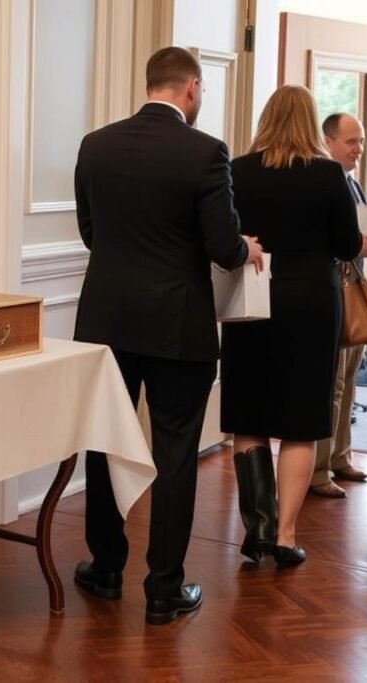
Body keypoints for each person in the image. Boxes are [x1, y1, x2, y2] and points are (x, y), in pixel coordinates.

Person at [73, 46, 263, 625]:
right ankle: (163, 588)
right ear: (192, 88)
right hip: (178, 325)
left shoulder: (95, 145)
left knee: (105, 441)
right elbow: (221, 245)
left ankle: (105, 568)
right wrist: (246, 249)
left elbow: (89, 232)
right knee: (175, 453)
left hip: (106, 320)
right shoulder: (206, 152)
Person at [221, 86, 367, 569]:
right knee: (301, 424)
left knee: (250, 417)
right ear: (310, 123)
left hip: (254, 299)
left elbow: (226, 236)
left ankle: (257, 528)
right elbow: (347, 244)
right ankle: (285, 535)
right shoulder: (328, 175)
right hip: (310, 303)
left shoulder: (237, 170)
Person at [309, 112, 367, 499]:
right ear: (328, 141)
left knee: (349, 380)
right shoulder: (321, 180)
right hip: (331, 292)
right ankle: (317, 468)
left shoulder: (353, 183)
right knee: (330, 383)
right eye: (352, 142)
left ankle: (340, 456)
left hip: (353, 289)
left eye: (362, 141)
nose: (359, 149)